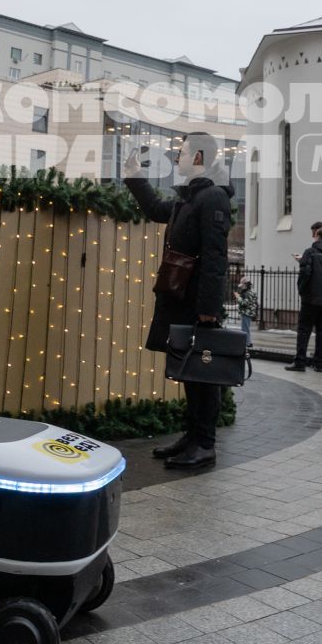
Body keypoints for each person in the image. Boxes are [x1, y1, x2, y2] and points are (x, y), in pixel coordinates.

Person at [123, 132, 232, 469]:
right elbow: (157, 210)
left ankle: (205, 444)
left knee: (202, 373)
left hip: (196, 304)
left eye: (182, 153)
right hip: (180, 298)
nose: (177, 158)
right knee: (189, 370)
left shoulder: (212, 197)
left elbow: (215, 258)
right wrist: (134, 175)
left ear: (199, 157)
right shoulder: (190, 199)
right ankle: (192, 436)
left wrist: (208, 310)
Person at [289, 222, 322, 371]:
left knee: (304, 330)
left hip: (310, 299)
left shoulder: (310, 252)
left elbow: (305, 274)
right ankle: (319, 363)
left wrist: (302, 291)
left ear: (317, 235)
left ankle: (300, 362)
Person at [234, 278, 258, 345]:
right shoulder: (248, 292)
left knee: (245, 329)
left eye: (242, 286)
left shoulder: (248, 293)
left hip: (246, 313)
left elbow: (245, 303)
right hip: (247, 312)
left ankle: (247, 342)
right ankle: (247, 342)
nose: (241, 287)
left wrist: (238, 297)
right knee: (245, 328)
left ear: (246, 285)